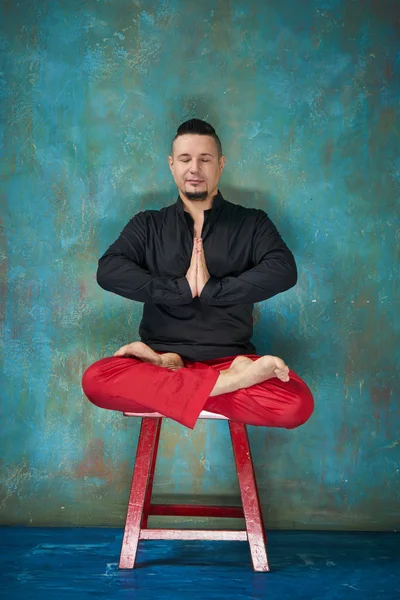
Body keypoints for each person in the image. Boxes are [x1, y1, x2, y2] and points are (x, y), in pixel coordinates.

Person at [82, 119, 314, 430]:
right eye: (185, 159)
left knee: (297, 403)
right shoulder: (147, 225)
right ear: (171, 164)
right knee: (96, 380)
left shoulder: (252, 223)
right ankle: (224, 383)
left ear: (220, 164)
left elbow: (284, 270)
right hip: (161, 360)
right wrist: (178, 289)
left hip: (229, 358)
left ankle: (193, 383)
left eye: (205, 159)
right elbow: (108, 270)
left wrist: (212, 290)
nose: (195, 168)